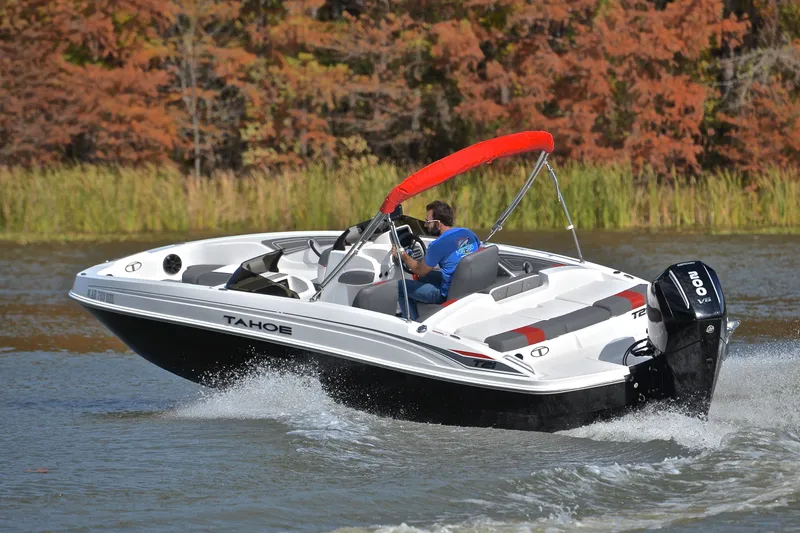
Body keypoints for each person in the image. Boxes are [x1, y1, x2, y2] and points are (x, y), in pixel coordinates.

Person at [392, 200, 480, 321]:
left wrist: (402, 254)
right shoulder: (468, 233)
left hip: (446, 294)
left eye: (428, 221)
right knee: (422, 278)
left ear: (438, 224)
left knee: (399, 287)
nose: (425, 225)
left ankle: (410, 322)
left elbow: (420, 270)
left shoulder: (437, 245)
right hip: (466, 285)